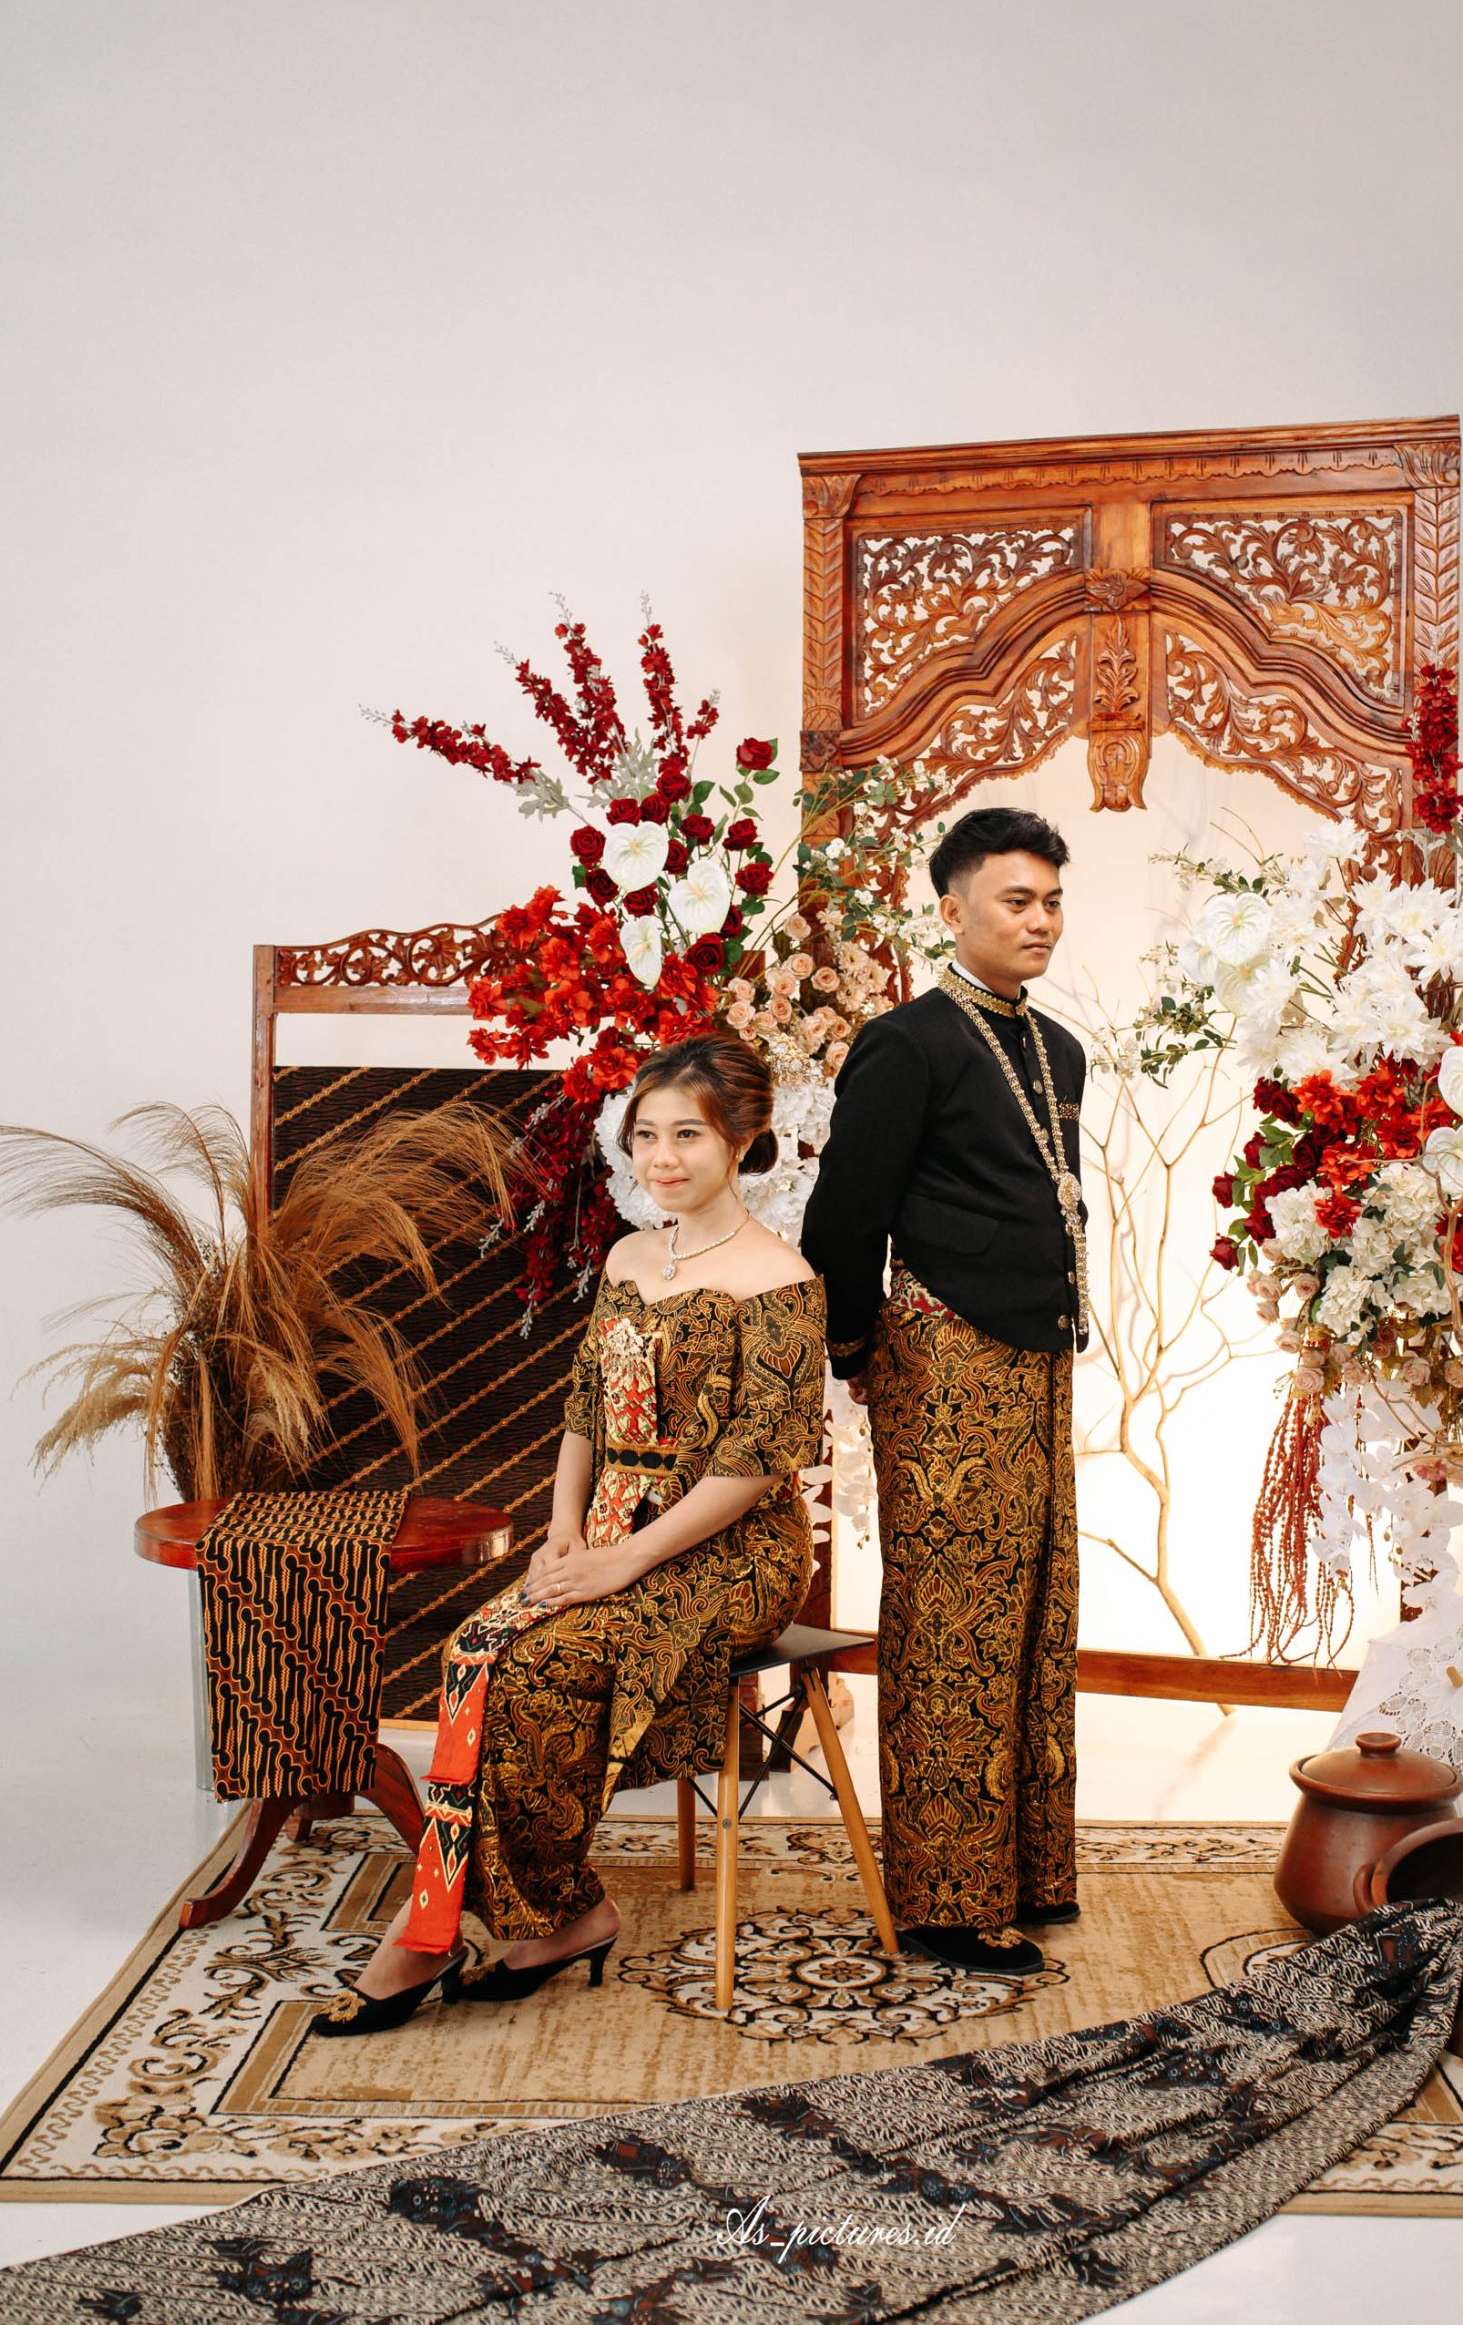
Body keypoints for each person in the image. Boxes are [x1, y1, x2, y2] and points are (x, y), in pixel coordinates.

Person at [311, 1032, 823, 2034]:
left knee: (540, 1664)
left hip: (731, 1549)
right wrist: (560, 1536)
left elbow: (758, 1461)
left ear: (741, 1139)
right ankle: (567, 1913)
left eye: (687, 1135)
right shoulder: (631, 1255)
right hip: (603, 1529)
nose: (661, 1157)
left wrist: (623, 1561)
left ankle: (429, 1932)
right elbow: (584, 1410)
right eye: (646, 1135)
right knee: (474, 1651)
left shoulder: (781, 1279)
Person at [800, 806, 1084, 1978]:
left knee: (1035, 1613)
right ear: (951, 909)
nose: (1039, 920)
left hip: (1038, 1360)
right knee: (951, 1623)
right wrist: (857, 1349)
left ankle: (1025, 1867)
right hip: (943, 1361)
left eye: (1051, 900)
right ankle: (942, 1900)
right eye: (1015, 900)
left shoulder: (1055, 1047)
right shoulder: (905, 1042)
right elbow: (840, 1218)